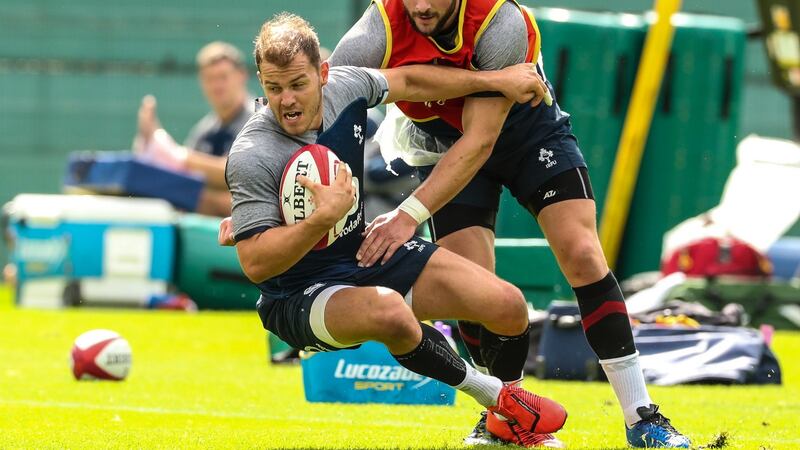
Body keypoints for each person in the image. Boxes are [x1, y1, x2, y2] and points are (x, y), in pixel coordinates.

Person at [329, 0, 690, 448]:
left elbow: (481, 139)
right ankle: (508, 416)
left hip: (526, 135)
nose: (420, 5)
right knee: (475, 292)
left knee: (582, 254)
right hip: (446, 144)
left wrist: (407, 215)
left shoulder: (499, 22)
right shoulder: (378, 27)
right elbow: (327, 96)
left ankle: (643, 418)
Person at [221, 12, 567, 447]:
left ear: (324, 74)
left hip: (360, 255)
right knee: (389, 312)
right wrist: (319, 221)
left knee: (507, 305)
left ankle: (503, 430)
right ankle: (502, 403)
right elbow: (254, 264)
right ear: (260, 81)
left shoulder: (346, 87)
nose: (286, 100)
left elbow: (411, 82)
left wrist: (493, 81)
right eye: (273, 88)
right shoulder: (254, 152)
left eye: (298, 85)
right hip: (297, 295)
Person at [134, 41, 253, 216]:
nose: (217, 86)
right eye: (209, 79)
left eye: (223, 77)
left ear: (242, 75)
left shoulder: (258, 120)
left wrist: (176, 156)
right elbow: (185, 179)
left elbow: (243, 173)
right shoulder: (204, 130)